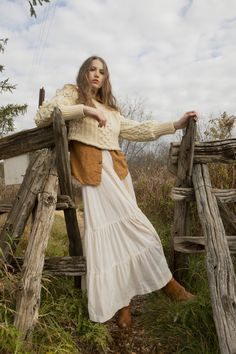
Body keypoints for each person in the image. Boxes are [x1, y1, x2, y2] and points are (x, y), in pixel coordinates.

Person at [35, 56, 197, 328]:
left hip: (120, 175)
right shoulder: (72, 94)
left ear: (106, 77)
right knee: (110, 243)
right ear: (84, 73)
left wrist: (176, 124)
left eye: (102, 71)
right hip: (95, 177)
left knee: (140, 232)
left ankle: (166, 287)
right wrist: (85, 111)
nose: (97, 75)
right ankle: (127, 306)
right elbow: (44, 116)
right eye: (92, 69)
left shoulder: (111, 108)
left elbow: (140, 130)